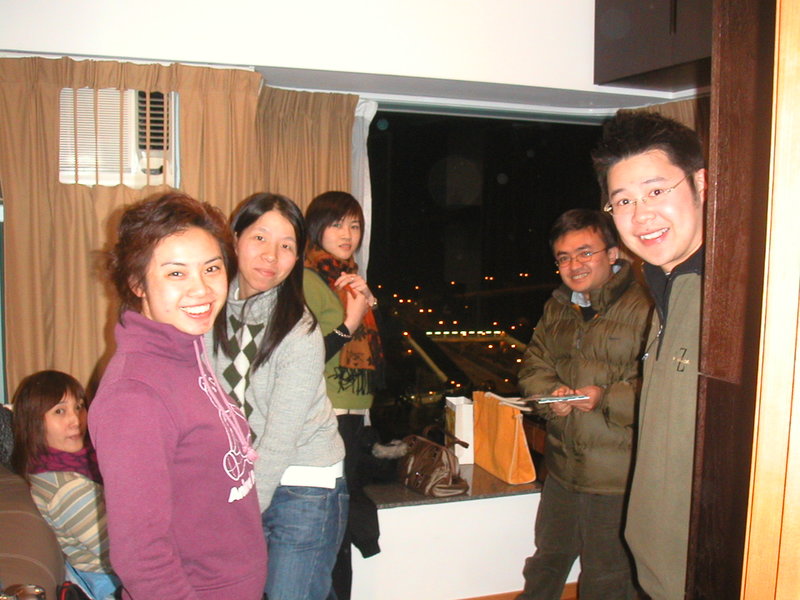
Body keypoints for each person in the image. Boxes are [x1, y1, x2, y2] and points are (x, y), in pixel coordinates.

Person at [88, 192, 267, 600]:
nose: (201, 289)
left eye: (211, 268)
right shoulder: (134, 395)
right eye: (176, 273)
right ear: (137, 283)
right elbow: (141, 557)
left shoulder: (187, 352)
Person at [207, 192, 347, 600]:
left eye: (286, 246)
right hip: (245, 481)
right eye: (260, 238)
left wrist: (243, 510)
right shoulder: (211, 313)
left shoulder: (300, 332)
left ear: (297, 257)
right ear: (235, 239)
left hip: (305, 484)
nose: (271, 255)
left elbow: (281, 438)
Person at [592, 110, 707, 600]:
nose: (641, 216)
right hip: (659, 572)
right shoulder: (665, 289)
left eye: (657, 191)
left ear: (701, 184)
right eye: (624, 201)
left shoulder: (737, 299)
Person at [515, 209, 651, 600]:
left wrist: (604, 397)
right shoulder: (558, 306)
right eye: (564, 257)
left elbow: (660, 390)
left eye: (585, 252)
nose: (574, 265)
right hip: (563, 468)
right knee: (546, 563)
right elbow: (533, 365)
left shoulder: (646, 305)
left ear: (613, 253)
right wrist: (551, 397)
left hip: (616, 478)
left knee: (606, 580)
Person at [303, 191, 383, 600]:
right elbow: (303, 357)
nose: (348, 234)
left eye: (355, 225)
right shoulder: (305, 280)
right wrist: (351, 321)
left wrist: (366, 301)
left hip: (350, 413)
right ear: (316, 229)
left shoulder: (347, 279)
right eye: (337, 224)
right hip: (323, 414)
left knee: (338, 521)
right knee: (329, 526)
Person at [10, 370, 120, 600]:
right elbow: (125, 551)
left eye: (79, 407)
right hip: (112, 583)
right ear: (33, 422)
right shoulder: (68, 490)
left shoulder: (50, 468)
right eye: (60, 411)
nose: (76, 420)